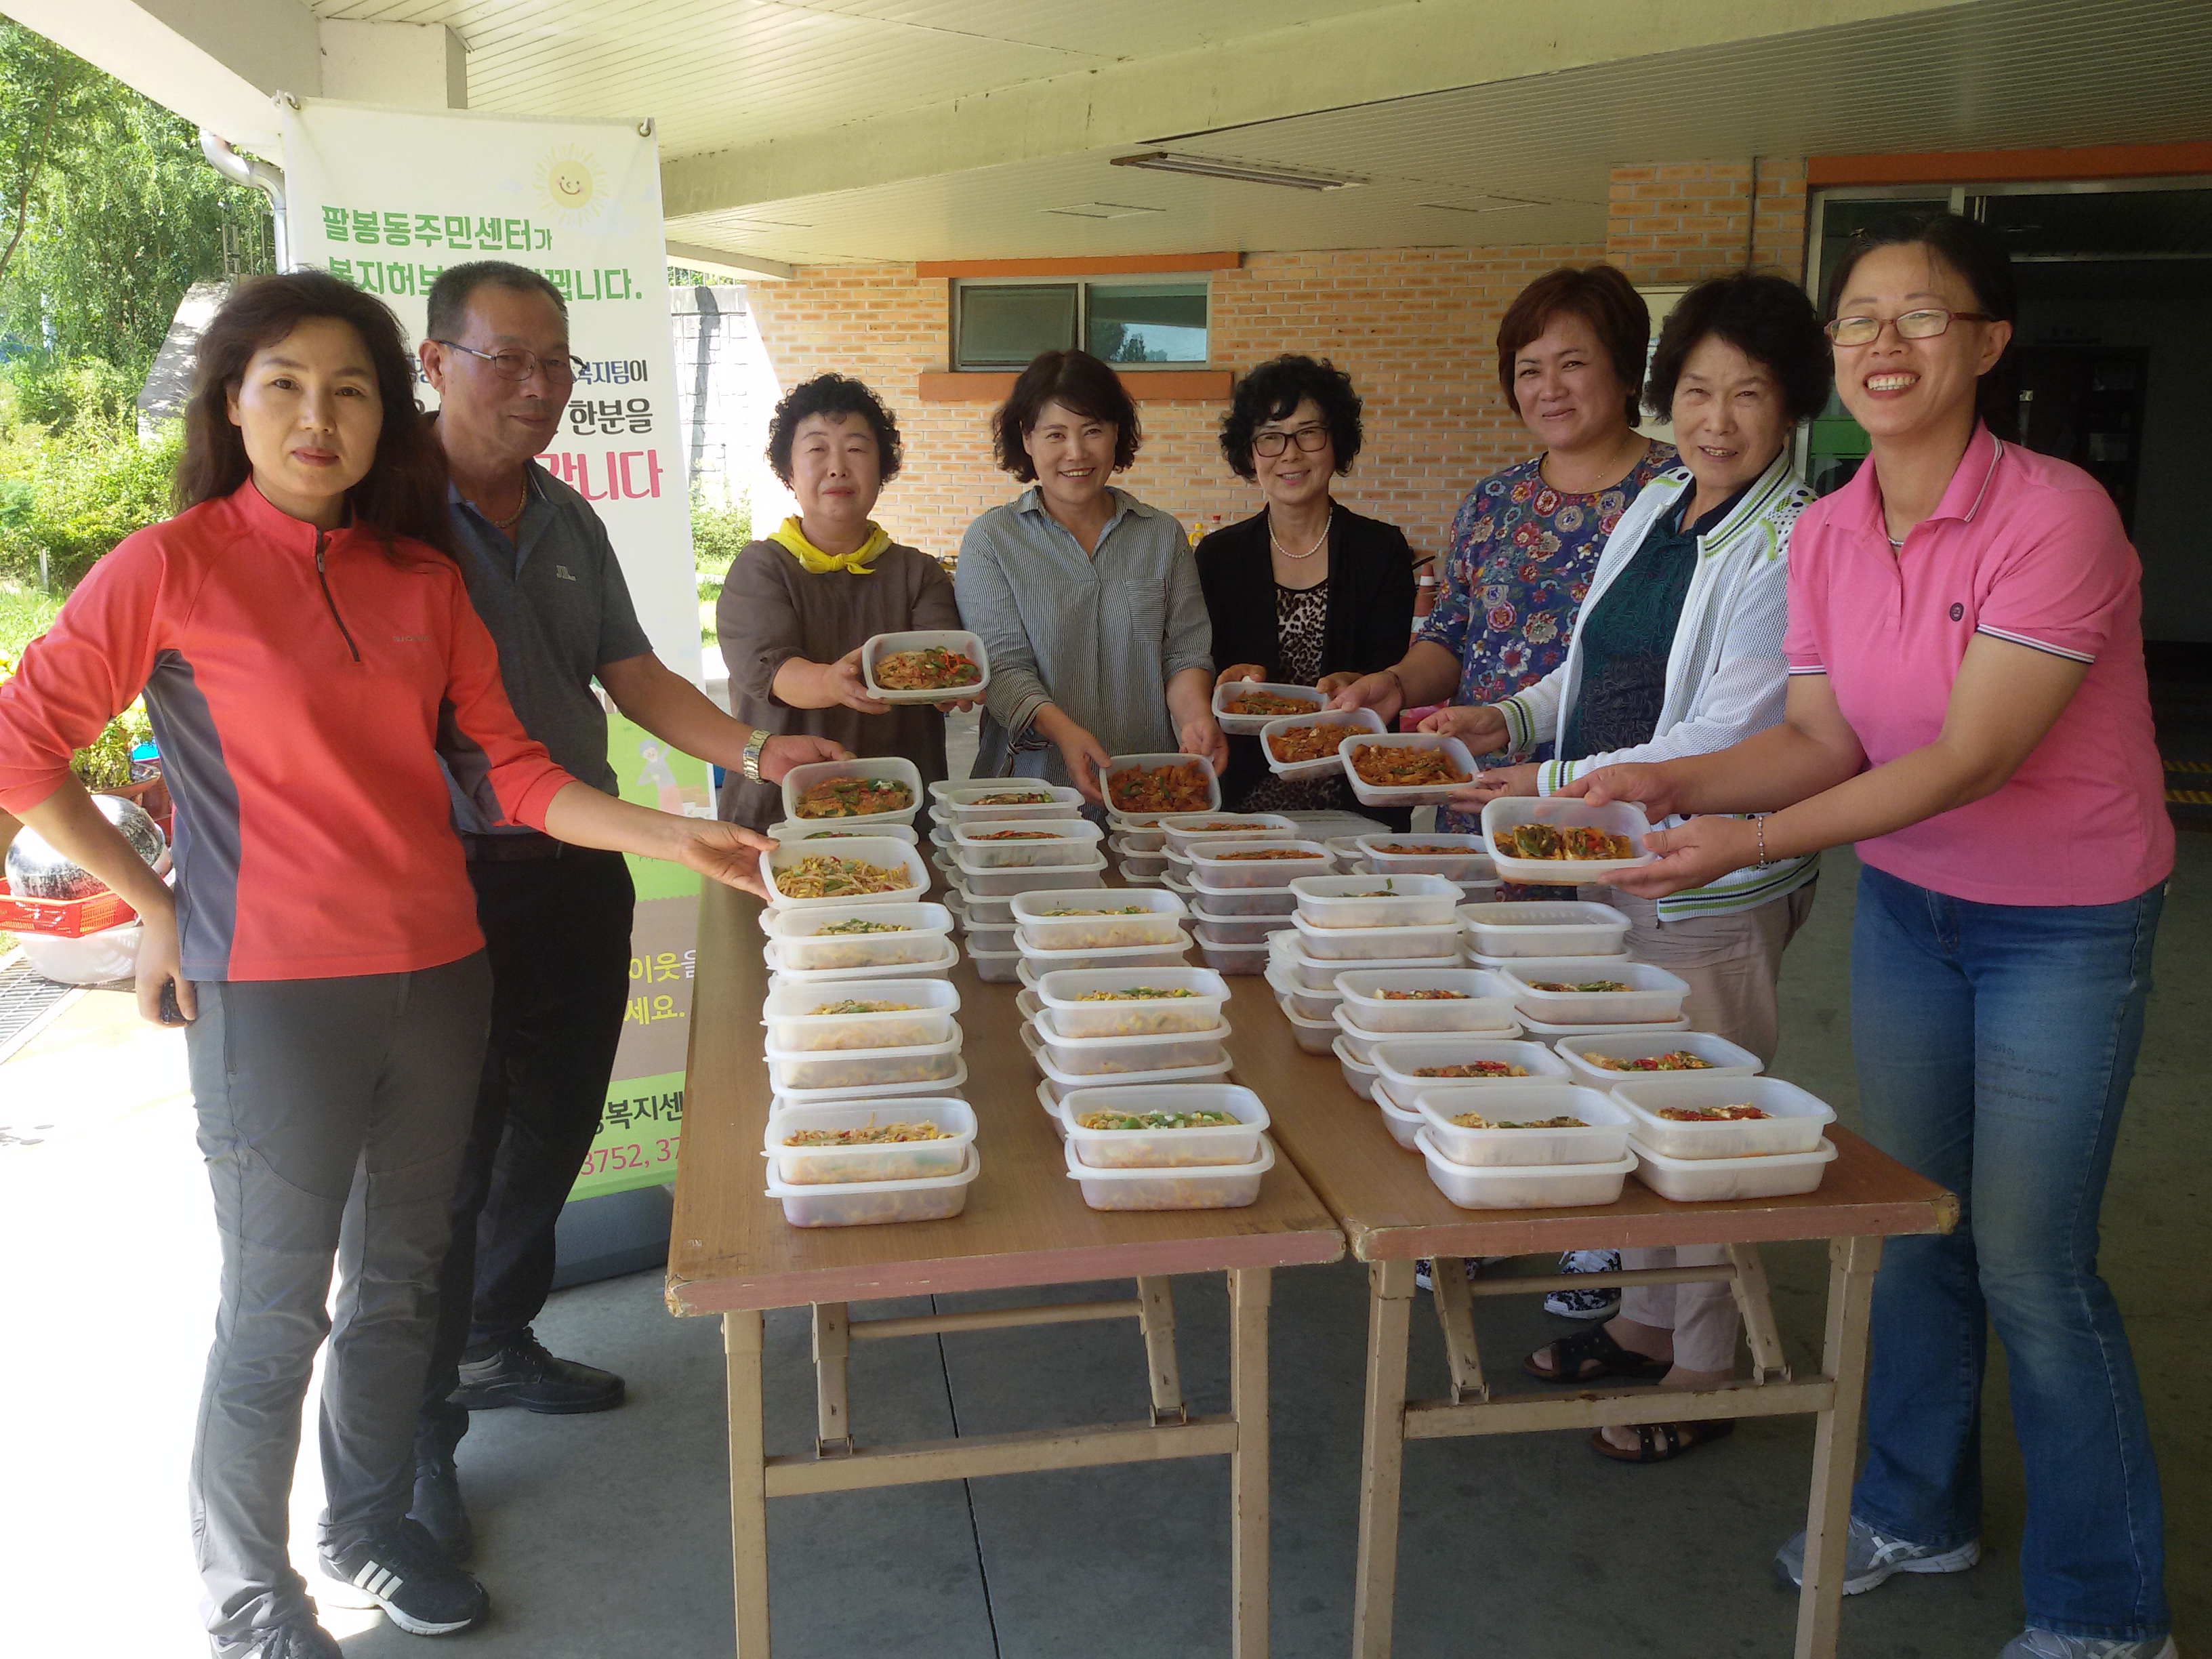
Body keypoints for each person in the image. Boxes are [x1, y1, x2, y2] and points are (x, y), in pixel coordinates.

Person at [0, 272, 777, 1659]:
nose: (319, 416)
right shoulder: (169, 566)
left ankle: (366, 1525)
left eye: (349, 390)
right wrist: (153, 900)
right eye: (286, 384)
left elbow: (521, 769)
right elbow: (23, 746)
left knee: (407, 1284)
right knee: (273, 1307)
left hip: (443, 975)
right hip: (278, 999)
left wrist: (678, 834)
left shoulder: (418, 580)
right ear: (233, 400)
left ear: (385, 410)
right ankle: (250, 1599)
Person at [1568, 215, 2175, 1659]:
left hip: (2064, 924)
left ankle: (2108, 1607)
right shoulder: (1833, 524)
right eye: (1861, 319)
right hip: (1914, 905)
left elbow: (1970, 755)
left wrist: (1749, 841)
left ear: (1987, 343)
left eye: (1922, 316)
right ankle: (1915, 1500)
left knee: (2035, 1261)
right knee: (1917, 1225)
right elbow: (1820, 736)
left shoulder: (2055, 515)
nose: (1886, 344)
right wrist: (1672, 780)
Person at [409, 261, 844, 1562]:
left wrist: (758, 752)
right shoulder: (385, 521)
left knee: (555, 1122)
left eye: (557, 363)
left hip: (574, 864)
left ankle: (496, 1339)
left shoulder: (562, 514)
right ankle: (413, 1437)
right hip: (440, 883)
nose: (538, 387)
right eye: (508, 360)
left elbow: (632, 668)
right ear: (436, 364)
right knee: (442, 1167)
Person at [1429, 272, 1831, 1461]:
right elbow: (1586, 666)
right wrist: (1501, 720)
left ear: (1788, 405)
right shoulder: (1658, 501)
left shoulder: (1789, 536)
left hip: (1705, 871)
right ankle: (1648, 1325)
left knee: (1700, 1112)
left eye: (1746, 394)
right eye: (1696, 388)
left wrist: (1549, 785)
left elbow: (1724, 733)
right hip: (1611, 848)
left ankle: (1705, 1365)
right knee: (1631, 1087)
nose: (1714, 418)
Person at [1330, 262, 1678, 1317]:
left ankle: (1595, 1238)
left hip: (1617, 805)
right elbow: (1455, 641)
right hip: (1482, 797)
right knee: (1485, 1011)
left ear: (1626, 371)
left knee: (1603, 1008)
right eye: (1530, 368)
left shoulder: (1672, 498)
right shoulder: (1495, 501)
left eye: (1575, 362)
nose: (1551, 387)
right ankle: (1493, 1188)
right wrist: (1396, 683)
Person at [955, 349, 1226, 800]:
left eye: (1093, 431)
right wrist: (1066, 734)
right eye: (1055, 434)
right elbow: (1001, 668)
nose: (1076, 453)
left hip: (1146, 790)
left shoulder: (1161, 535)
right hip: (1031, 793)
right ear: (1027, 439)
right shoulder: (992, 539)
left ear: (1117, 433)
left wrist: (1198, 716)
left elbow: (1184, 654)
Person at [718, 373, 977, 831]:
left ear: (882, 470)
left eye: (856, 449)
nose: (837, 466)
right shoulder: (760, 568)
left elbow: (940, 657)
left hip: (900, 813)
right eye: (817, 450)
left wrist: (951, 688)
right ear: (789, 472)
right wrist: (835, 682)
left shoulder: (918, 572)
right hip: (782, 815)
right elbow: (770, 671)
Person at [1197, 354, 1416, 814]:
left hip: (1356, 795)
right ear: (1250, 453)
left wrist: (1361, 684)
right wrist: (1225, 680)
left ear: (1336, 441)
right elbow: (1202, 667)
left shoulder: (1382, 550)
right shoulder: (1218, 557)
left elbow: (1391, 670)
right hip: (1243, 799)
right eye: (1270, 438)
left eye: (1309, 433)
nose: (1290, 453)